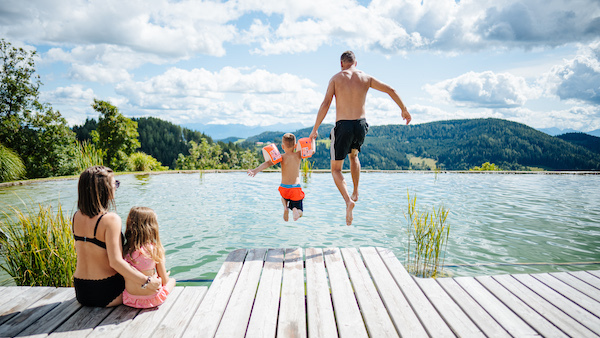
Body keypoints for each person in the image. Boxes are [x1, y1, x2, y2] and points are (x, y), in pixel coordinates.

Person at [309, 50, 411, 226]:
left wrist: (314, 129)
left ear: (341, 63)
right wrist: (404, 109)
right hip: (361, 125)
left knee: (336, 170)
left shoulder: (336, 78)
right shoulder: (366, 78)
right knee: (354, 156)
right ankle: (356, 191)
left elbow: (325, 104)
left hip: (343, 126)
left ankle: (349, 200)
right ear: (356, 63)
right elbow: (390, 90)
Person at [72, 166, 161, 307]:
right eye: (115, 184)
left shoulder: (76, 216)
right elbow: (116, 262)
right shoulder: (110, 219)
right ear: (104, 189)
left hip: (82, 291)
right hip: (106, 292)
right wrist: (147, 281)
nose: (116, 188)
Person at [248, 133, 315, 221]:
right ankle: (296, 210)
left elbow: (268, 163)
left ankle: (285, 207)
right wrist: (313, 139)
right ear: (295, 146)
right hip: (295, 188)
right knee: (300, 211)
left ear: (283, 146)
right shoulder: (298, 155)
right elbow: (312, 151)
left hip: (284, 188)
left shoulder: (281, 157)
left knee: (283, 197)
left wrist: (255, 170)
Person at [122, 206, 176, 308]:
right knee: (172, 281)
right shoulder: (153, 249)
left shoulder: (124, 250)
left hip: (130, 299)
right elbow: (164, 281)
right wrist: (166, 276)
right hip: (152, 300)